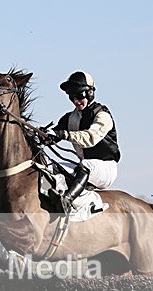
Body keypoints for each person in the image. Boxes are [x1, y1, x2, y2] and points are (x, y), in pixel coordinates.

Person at [47, 71, 120, 210]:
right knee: (51, 166)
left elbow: (90, 138)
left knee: (86, 165)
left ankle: (66, 201)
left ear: (90, 93)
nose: (76, 101)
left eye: (79, 96)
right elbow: (54, 134)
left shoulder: (102, 115)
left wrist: (64, 134)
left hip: (106, 169)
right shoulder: (70, 117)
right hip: (83, 166)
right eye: (72, 97)